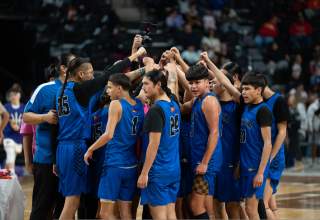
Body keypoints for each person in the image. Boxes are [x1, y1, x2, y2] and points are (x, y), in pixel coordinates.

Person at [55, 48, 146, 219]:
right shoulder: (80, 90)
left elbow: (112, 78)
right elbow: (107, 76)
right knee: (72, 201)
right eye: (89, 72)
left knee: (72, 199)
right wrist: (135, 56)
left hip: (62, 147)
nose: (92, 75)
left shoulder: (62, 90)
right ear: (81, 75)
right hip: (75, 146)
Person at [84, 73, 144, 219]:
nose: (107, 91)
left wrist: (90, 149)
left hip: (114, 164)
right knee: (125, 213)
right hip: (131, 165)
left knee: (105, 213)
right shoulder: (139, 103)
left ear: (119, 88)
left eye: (110, 88)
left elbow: (108, 134)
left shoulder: (116, 104)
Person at [23, 53, 75, 220]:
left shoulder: (78, 89)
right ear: (63, 68)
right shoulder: (45, 88)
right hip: (46, 160)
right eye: (74, 63)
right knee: (42, 208)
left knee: (66, 210)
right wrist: (44, 117)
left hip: (69, 160)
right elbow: (26, 116)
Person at [138, 70, 181, 220]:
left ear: (158, 85)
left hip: (158, 171)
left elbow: (153, 145)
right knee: (171, 214)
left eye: (146, 84)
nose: (143, 87)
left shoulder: (155, 110)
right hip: (173, 169)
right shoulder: (174, 104)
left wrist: (144, 173)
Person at [182, 64, 222, 219]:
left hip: (207, 161)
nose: (193, 86)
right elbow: (181, 107)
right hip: (200, 159)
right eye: (191, 83)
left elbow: (214, 133)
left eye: (197, 82)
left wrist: (205, 162)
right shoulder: (197, 100)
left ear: (207, 82)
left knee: (195, 206)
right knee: (205, 205)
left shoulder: (209, 101)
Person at [262, 80, 288, 220]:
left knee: (263, 205)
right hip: (265, 156)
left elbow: (282, 132)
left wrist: (271, 157)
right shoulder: (261, 101)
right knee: (271, 204)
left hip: (273, 157)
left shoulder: (278, 101)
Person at [3, 84, 25, 174]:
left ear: (19, 95)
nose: (13, 96)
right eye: (12, 94)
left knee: (10, 160)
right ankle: (10, 182)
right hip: (8, 137)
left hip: (18, 140)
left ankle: (3, 179)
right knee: (10, 157)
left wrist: (19, 127)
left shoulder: (24, 108)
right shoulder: (6, 107)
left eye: (16, 94)